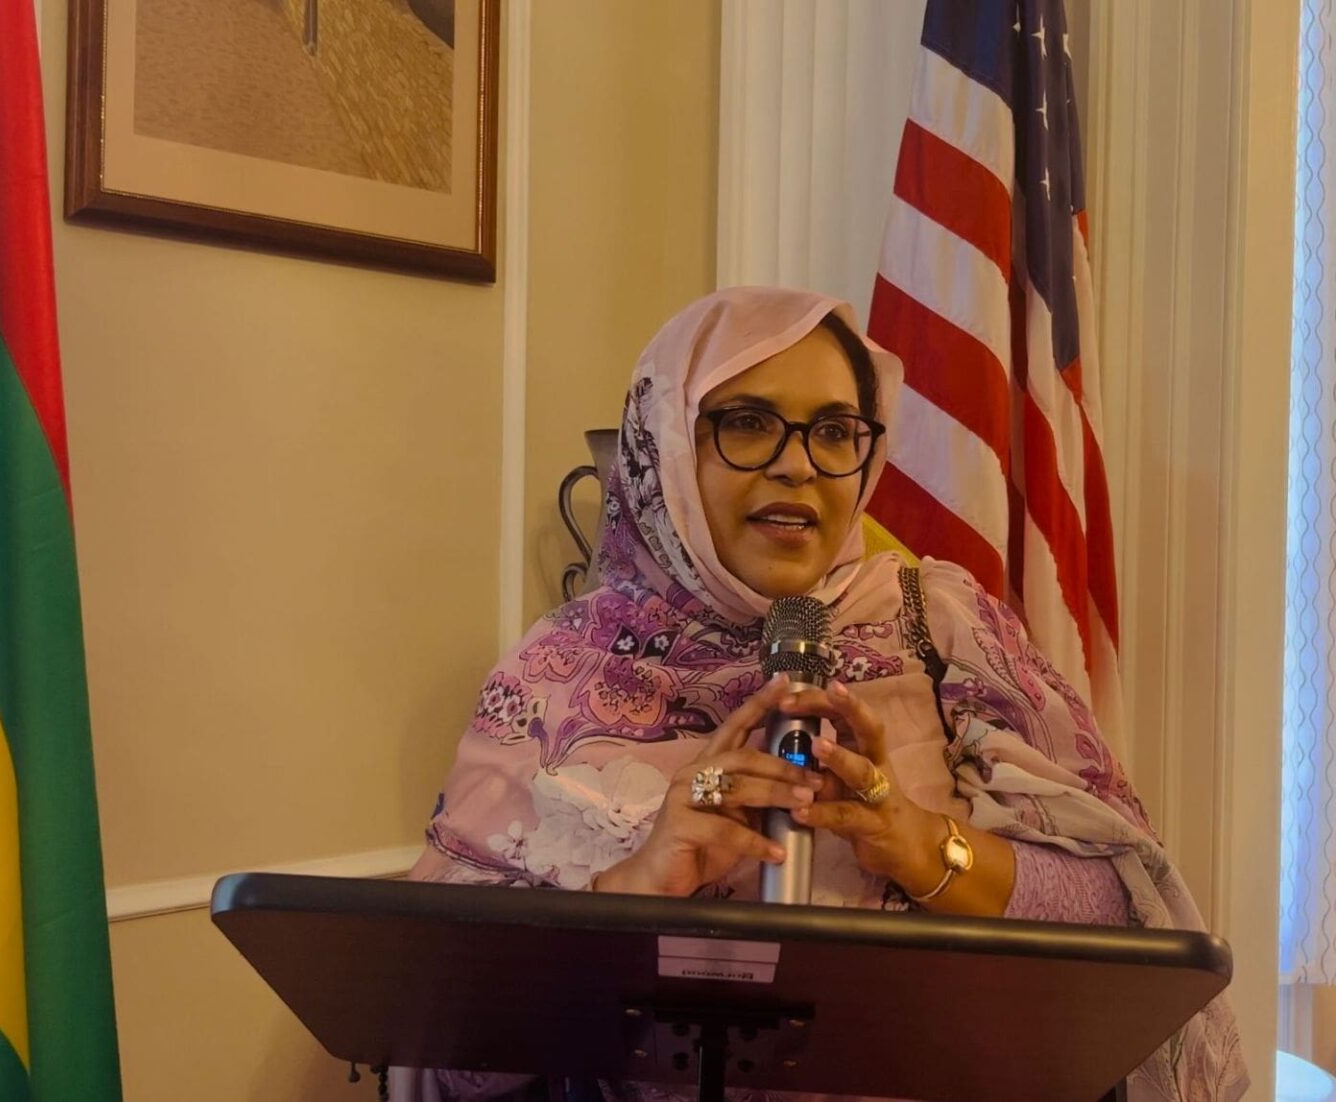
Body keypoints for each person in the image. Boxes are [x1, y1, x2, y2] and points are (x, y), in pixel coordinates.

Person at [405, 287, 1245, 1101]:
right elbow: (439, 1041)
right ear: (667, 444)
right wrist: (637, 886)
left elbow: (1122, 928)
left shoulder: (945, 629)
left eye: (835, 432)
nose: (798, 464)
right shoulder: (561, 666)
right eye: (748, 423)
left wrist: (923, 847)